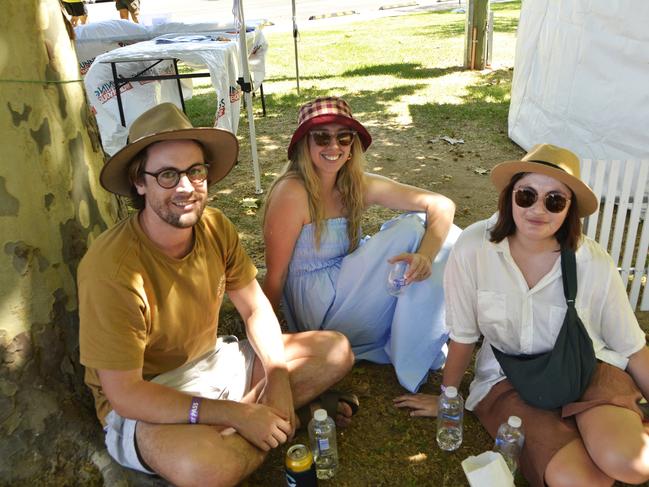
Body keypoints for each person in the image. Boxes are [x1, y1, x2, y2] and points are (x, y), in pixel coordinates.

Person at [78, 103, 357, 486]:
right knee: (206, 468)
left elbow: (255, 308)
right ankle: (274, 422)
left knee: (336, 350)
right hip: (150, 397)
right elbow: (126, 395)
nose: (185, 187)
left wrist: (276, 379)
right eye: (167, 175)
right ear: (139, 182)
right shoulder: (111, 268)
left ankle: (262, 421)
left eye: (195, 171)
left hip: (215, 364)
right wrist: (235, 415)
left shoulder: (214, 226)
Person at [395, 144, 649, 486]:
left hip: (587, 366)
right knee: (579, 481)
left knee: (630, 465)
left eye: (555, 200)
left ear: (570, 209)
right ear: (509, 197)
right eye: (526, 195)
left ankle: (608, 429)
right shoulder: (474, 249)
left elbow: (631, 346)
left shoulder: (591, 261)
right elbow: (463, 335)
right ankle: (589, 434)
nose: (538, 210)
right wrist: (448, 398)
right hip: (509, 379)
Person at [262, 96, 460, 393]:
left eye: (344, 137)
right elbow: (275, 275)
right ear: (305, 144)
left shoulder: (355, 183)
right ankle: (411, 346)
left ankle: (413, 339)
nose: (334, 147)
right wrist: (267, 340)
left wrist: (426, 256)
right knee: (409, 229)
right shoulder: (292, 193)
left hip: (349, 286)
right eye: (322, 137)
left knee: (445, 235)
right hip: (319, 307)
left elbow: (441, 204)